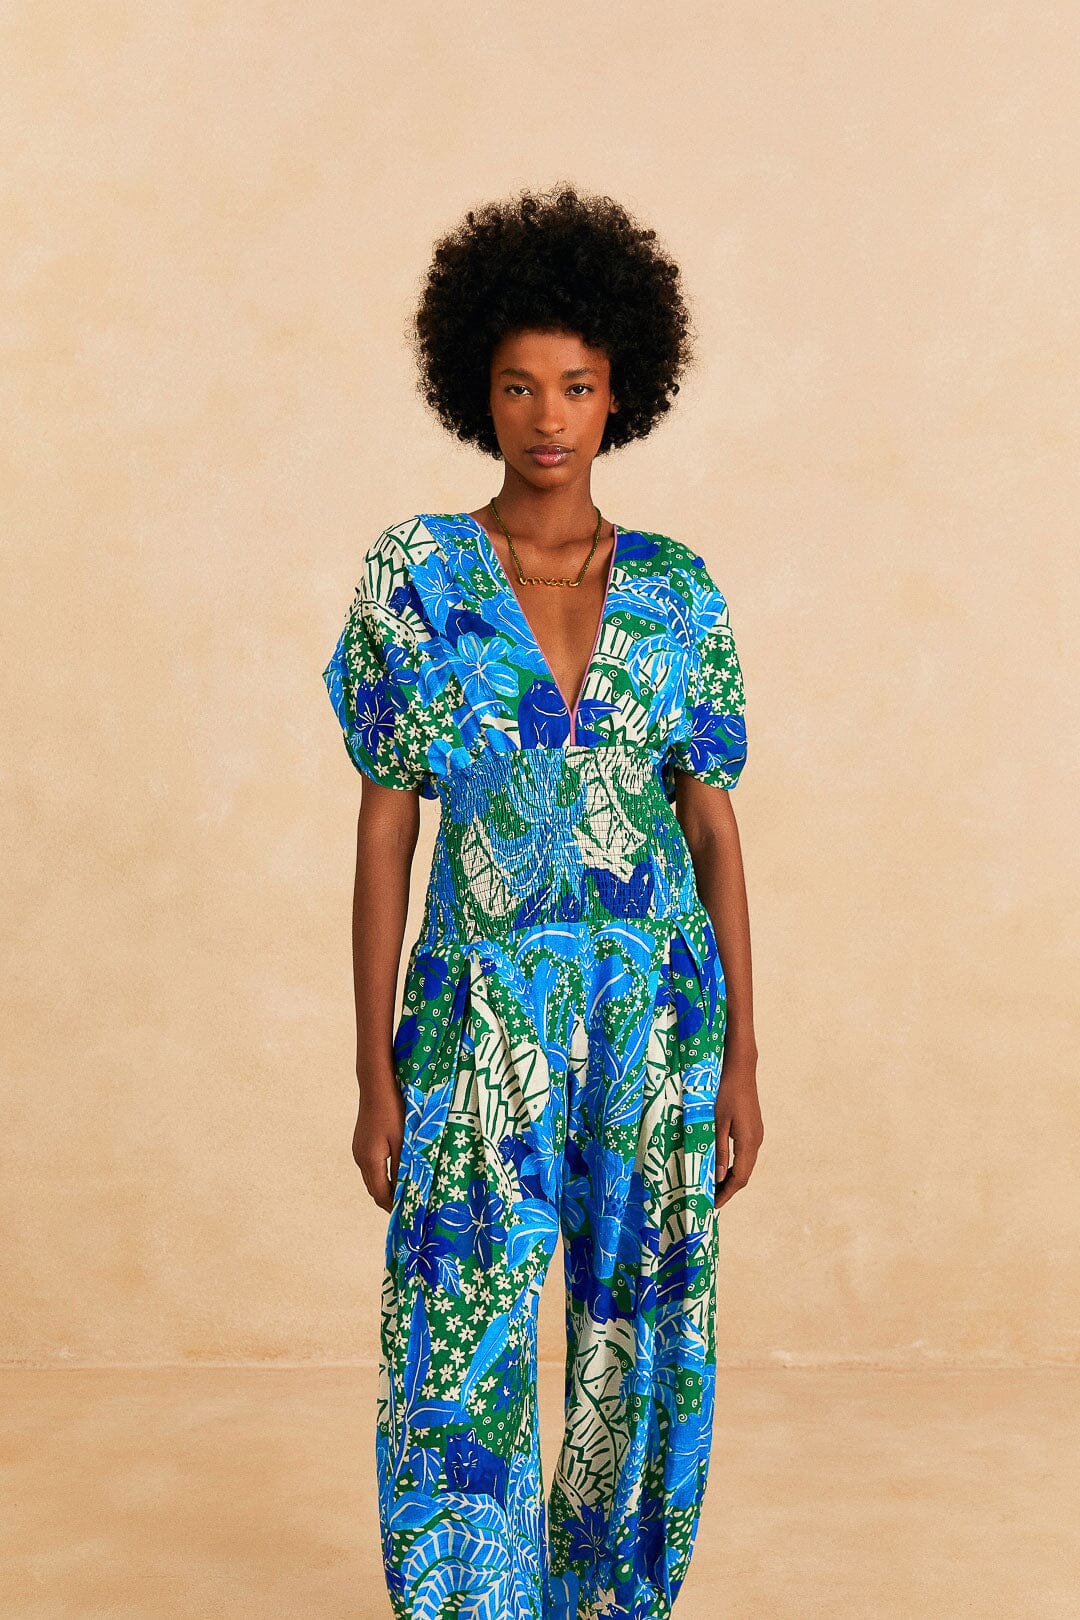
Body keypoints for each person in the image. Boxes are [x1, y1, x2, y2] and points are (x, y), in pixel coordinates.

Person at [321, 183, 763, 1620]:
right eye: (519, 385)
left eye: (576, 384)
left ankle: (609, 1603)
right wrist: (376, 1072)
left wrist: (742, 1058)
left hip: (658, 1021)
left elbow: (711, 826)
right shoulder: (417, 578)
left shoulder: (677, 592)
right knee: (459, 1336)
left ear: (622, 388)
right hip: (479, 1023)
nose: (548, 416)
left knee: (642, 1333)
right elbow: (387, 831)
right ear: (479, 392)